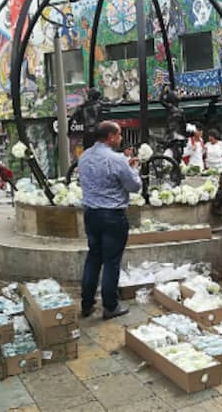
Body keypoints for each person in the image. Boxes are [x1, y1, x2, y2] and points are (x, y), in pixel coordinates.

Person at [79, 121, 142, 320]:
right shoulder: (117, 159)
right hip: (113, 216)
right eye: (119, 135)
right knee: (111, 262)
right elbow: (134, 186)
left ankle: (87, 303)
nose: (121, 138)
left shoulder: (84, 157)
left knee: (93, 258)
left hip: (91, 214)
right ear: (111, 137)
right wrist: (134, 169)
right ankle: (110, 305)